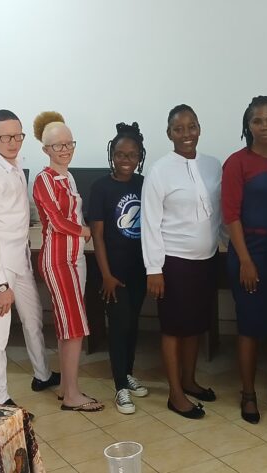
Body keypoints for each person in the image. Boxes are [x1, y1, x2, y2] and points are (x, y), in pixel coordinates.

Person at [0, 109, 60, 406]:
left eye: (18, 136)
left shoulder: (14, 164)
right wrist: (0, 284)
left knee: (33, 318)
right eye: (6, 137)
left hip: (19, 258)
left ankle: (43, 373)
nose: (14, 142)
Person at [142, 104, 222, 419]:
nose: (186, 134)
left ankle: (189, 380)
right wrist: (154, 269)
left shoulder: (213, 165)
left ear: (199, 128)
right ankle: (175, 394)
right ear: (169, 133)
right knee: (174, 329)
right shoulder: (160, 170)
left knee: (195, 327)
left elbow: (219, 211)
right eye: (179, 129)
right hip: (173, 264)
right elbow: (150, 223)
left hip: (206, 261)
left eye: (191, 127)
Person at [221, 96, 267, 425]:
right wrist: (246, 260)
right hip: (248, 255)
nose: (264, 126)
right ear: (247, 126)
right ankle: (248, 394)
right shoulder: (237, 162)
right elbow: (231, 215)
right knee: (250, 328)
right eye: (257, 121)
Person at [30, 111, 103, 412]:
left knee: (67, 324)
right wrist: (86, 231)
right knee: (73, 326)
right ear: (45, 149)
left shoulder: (68, 177)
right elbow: (57, 221)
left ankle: (65, 387)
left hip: (74, 258)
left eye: (68, 143)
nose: (64, 149)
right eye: (57, 145)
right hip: (60, 259)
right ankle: (72, 396)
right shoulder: (44, 179)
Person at [88, 122, 150, 415]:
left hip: (139, 269)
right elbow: (98, 235)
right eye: (121, 154)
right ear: (112, 155)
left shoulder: (143, 183)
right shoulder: (101, 187)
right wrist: (107, 275)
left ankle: (127, 374)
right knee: (118, 328)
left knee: (133, 325)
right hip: (113, 272)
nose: (126, 160)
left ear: (140, 156)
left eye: (132, 155)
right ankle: (119, 387)